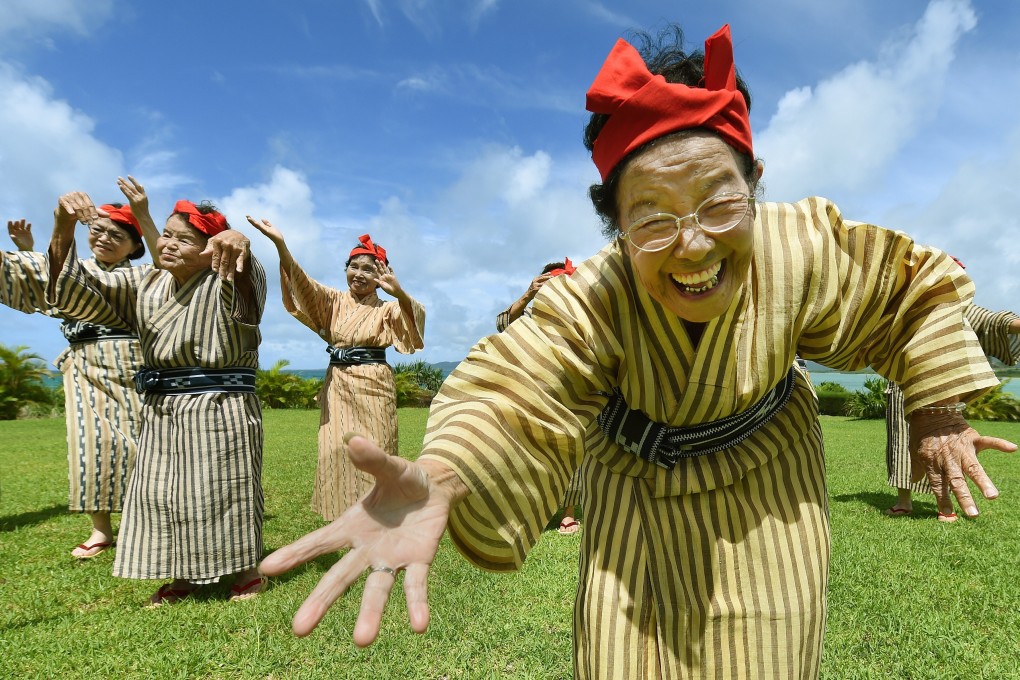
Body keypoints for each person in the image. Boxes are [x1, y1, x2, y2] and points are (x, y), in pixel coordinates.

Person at [260, 24, 1015, 677]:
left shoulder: (800, 246)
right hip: (632, 500)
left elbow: (910, 291)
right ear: (615, 226)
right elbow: (514, 389)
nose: (693, 246)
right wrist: (446, 473)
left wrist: (937, 412)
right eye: (651, 219)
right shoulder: (593, 294)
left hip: (768, 495)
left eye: (721, 204)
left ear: (756, 183)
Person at [46, 191, 268, 605]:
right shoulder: (143, 282)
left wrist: (239, 239)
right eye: (166, 235)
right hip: (161, 408)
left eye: (183, 240)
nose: (167, 244)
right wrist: (62, 224)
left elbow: (247, 285)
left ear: (211, 251)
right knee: (163, 492)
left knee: (226, 487)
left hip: (221, 404)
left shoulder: (225, 277)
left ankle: (246, 568)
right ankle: (181, 574)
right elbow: (74, 289)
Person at [1, 177, 158, 559]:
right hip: (84, 367)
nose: (103, 238)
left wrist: (142, 213)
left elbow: (169, 270)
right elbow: (55, 291)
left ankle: (148, 521)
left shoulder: (141, 275)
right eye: (98, 230)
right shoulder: (81, 268)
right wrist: (32, 251)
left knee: (144, 447)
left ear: (135, 245)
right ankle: (101, 530)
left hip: (129, 366)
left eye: (116, 235)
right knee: (91, 447)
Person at [247, 218, 425, 521]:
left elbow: (414, 325)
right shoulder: (333, 300)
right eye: (354, 266)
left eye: (368, 269)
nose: (358, 274)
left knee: (376, 452)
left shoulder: (387, 308)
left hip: (374, 386)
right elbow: (302, 283)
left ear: (381, 276)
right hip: (338, 386)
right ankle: (345, 519)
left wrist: (401, 295)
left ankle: (381, 515)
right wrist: (280, 244)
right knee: (337, 453)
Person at [886, 302, 1020, 521]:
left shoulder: (945, 293)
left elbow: (981, 318)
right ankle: (904, 500)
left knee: (942, 446)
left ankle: (943, 502)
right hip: (901, 384)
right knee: (900, 444)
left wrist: (1013, 324)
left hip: (938, 388)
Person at [496, 258, 583, 535]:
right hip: (531, 393)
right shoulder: (531, 315)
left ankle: (568, 512)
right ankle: (529, 509)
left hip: (569, 395)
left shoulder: (578, 317)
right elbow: (503, 324)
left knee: (571, 452)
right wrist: (528, 293)